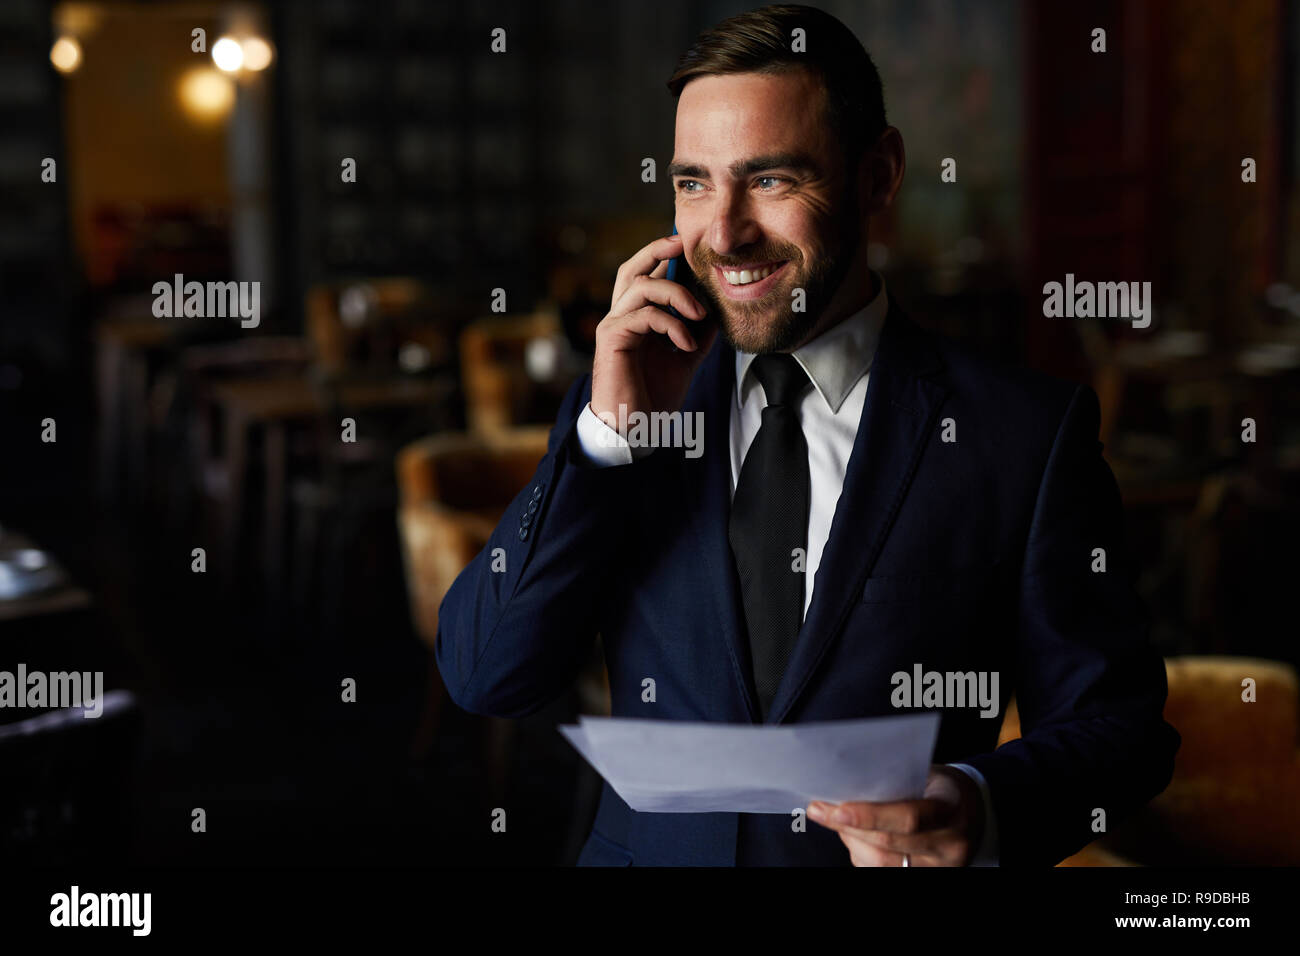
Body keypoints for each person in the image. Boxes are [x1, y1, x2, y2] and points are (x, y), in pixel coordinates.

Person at [436, 3, 1179, 866]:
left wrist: (981, 805)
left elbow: (1119, 729)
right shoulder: (625, 404)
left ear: (878, 175)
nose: (723, 232)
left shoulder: (1024, 432)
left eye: (772, 180)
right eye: (692, 183)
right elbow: (487, 675)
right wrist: (607, 441)